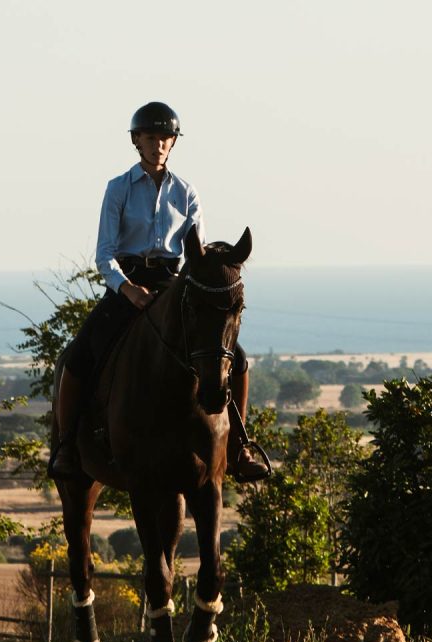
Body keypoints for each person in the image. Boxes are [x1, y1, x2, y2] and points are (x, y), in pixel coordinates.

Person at [48, 101, 269, 484]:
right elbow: (104, 254)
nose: (158, 145)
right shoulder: (117, 189)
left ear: (172, 143)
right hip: (126, 284)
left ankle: (239, 448)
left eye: (165, 138)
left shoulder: (186, 192)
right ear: (137, 141)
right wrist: (128, 290)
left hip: (172, 283)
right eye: (151, 138)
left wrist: (188, 289)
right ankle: (68, 445)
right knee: (78, 354)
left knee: (238, 358)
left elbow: (195, 256)